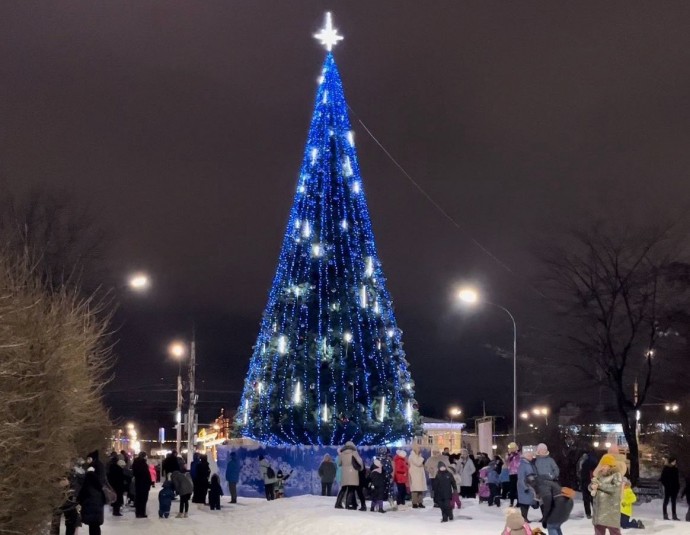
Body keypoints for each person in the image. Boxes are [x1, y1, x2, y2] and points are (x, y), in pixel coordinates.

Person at [590, 453, 623, 535]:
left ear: (610, 465)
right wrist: (591, 487)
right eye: (602, 465)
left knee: (615, 533)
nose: (602, 467)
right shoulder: (600, 475)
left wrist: (599, 485)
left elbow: (614, 488)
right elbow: (593, 484)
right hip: (599, 512)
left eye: (604, 465)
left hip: (610, 512)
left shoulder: (616, 475)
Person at [51, 459, 85, 535]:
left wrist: (69, 484)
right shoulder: (55, 472)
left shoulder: (74, 473)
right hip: (59, 501)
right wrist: (58, 484)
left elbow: (78, 486)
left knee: (71, 523)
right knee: (55, 524)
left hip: (71, 502)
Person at [336, 441, 365, 510]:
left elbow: (339, 463)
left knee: (343, 488)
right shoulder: (354, 452)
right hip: (353, 472)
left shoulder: (342, 453)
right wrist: (361, 468)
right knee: (351, 488)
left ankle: (338, 503)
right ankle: (348, 504)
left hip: (345, 472)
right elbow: (360, 461)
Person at [78, 467, 106, 535]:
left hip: (89, 512)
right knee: (96, 527)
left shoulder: (86, 488)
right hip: (98, 513)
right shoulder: (99, 489)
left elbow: (80, 499)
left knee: (92, 527)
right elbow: (104, 500)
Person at [517, 449, 537, 521]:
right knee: (524, 503)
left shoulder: (527, 464)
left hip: (529, 485)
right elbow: (521, 477)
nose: (531, 457)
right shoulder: (523, 465)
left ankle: (524, 518)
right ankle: (524, 518)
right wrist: (524, 487)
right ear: (526, 456)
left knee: (527, 502)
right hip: (525, 486)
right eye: (530, 456)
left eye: (531, 455)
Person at [132, 451, 152, 518]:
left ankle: (138, 513)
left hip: (138, 483)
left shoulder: (135, 463)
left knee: (138, 498)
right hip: (144, 484)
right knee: (143, 499)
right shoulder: (143, 463)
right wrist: (149, 482)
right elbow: (146, 475)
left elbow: (134, 473)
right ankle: (142, 513)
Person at [660, 456, 680, 521]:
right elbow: (662, 478)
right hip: (668, 488)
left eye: (675, 461)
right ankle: (665, 515)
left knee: (673, 502)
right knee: (666, 501)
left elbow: (677, 479)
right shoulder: (666, 468)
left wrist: (677, 486)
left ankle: (674, 515)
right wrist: (666, 485)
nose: (675, 462)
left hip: (674, 488)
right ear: (671, 461)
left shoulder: (675, 469)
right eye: (674, 461)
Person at [579, 451, 598, 519]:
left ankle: (588, 513)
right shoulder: (594, 462)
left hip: (584, 481)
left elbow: (579, 472)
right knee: (593, 498)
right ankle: (596, 513)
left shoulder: (582, 462)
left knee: (586, 499)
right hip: (591, 481)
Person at [378, 446, 396, 511]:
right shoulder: (388, 460)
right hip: (387, 478)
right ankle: (392, 504)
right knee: (389, 491)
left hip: (380, 479)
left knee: (380, 492)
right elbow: (391, 469)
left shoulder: (377, 460)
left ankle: (379, 506)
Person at [408, 444, 427, 508]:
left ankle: (420, 502)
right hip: (415, 474)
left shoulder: (417, 456)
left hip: (419, 474)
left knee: (420, 489)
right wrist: (421, 458)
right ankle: (414, 503)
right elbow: (418, 463)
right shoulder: (412, 456)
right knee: (415, 489)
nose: (420, 450)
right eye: (418, 448)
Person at [506, 443, 521, 507]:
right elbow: (507, 464)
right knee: (512, 489)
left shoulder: (519, 455)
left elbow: (518, 463)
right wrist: (509, 456)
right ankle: (511, 502)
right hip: (512, 474)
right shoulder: (509, 456)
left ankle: (518, 502)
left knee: (518, 488)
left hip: (518, 473)